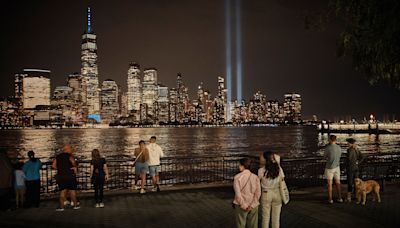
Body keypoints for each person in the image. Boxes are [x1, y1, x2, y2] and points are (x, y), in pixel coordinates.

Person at [258, 151, 285, 228]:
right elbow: (282, 179)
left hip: (266, 193)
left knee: (265, 218)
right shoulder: (279, 169)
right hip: (277, 193)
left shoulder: (261, 170)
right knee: (276, 219)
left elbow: (257, 182)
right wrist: (277, 160)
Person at [233, 158, 261, 228]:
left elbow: (238, 194)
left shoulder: (237, 177)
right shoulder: (255, 177)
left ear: (243, 166)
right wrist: (252, 205)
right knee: (253, 225)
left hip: (240, 205)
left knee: (240, 224)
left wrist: (244, 205)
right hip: (253, 205)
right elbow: (258, 193)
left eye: (239, 165)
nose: (239, 167)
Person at [52, 144, 80, 211]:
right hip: (70, 176)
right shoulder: (70, 156)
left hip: (61, 176)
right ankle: (75, 206)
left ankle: (61, 207)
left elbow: (53, 166)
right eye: (70, 148)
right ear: (67, 149)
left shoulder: (58, 156)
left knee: (62, 192)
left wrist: (60, 169)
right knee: (72, 191)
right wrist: (74, 167)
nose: (71, 150)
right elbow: (74, 163)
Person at [324, 135, 343, 204]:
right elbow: (340, 156)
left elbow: (324, 157)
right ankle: (340, 198)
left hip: (329, 168)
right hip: (337, 167)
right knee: (338, 183)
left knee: (330, 184)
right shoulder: (339, 147)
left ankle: (330, 199)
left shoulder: (328, 148)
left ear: (330, 140)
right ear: (335, 140)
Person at [345, 138, 364, 202]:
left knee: (350, 183)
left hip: (350, 168)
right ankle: (356, 196)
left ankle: (349, 197)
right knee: (356, 183)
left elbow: (349, 160)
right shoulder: (356, 149)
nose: (347, 144)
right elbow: (362, 157)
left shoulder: (349, 150)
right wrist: (358, 162)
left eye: (348, 143)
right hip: (356, 168)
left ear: (350, 143)